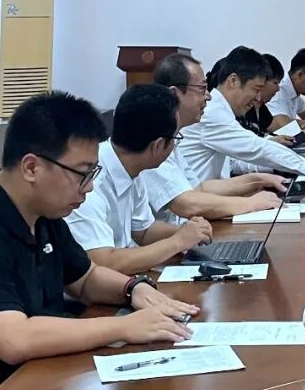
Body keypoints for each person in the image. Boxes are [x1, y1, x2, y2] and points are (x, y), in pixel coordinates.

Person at [0, 92, 195, 390]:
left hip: (27, 375)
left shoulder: (42, 214)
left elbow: (86, 279)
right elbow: (14, 340)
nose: (90, 187)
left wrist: (133, 289)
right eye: (82, 174)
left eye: (93, 173)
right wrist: (123, 327)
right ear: (31, 168)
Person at [65, 84, 214, 274]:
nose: (175, 145)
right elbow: (103, 262)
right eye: (175, 138)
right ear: (158, 145)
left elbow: (144, 231)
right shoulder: (90, 180)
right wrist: (177, 242)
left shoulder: (131, 166)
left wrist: (186, 231)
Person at [140, 53, 289, 224]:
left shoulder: (173, 135)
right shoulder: (153, 137)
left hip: (188, 226)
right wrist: (250, 203)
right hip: (173, 230)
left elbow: (199, 187)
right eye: (202, 88)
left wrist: (259, 180)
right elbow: (185, 203)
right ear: (175, 93)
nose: (208, 96)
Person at [181, 46, 305, 181]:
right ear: (233, 81)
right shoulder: (212, 114)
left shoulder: (223, 111)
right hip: (197, 199)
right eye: (256, 89)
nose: (258, 98)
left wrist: (275, 170)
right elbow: (257, 148)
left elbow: (235, 162)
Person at [238, 53, 285, 136]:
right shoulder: (243, 107)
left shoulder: (262, 109)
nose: (278, 89)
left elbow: (276, 131)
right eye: (275, 83)